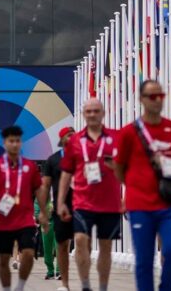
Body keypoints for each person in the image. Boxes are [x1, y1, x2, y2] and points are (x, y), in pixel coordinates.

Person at [114, 79, 171, 291]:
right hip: (140, 206)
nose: (157, 100)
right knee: (144, 260)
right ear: (141, 99)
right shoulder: (129, 132)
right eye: (152, 96)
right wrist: (134, 186)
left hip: (169, 203)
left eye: (161, 96)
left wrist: (166, 176)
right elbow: (118, 167)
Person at [57, 99, 121, 291]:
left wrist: (127, 194)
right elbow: (66, 174)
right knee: (80, 240)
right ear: (84, 114)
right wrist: (60, 202)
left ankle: (103, 286)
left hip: (110, 203)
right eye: (89, 111)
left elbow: (127, 168)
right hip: (83, 202)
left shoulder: (116, 138)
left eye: (96, 111)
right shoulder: (75, 141)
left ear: (103, 113)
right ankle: (85, 285)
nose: (92, 114)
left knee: (106, 247)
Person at [0, 125, 48, 291]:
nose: (14, 144)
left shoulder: (30, 166)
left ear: (21, 143)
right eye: (11, 141)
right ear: (4, 143)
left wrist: (43, 212)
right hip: (2, 220)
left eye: (18, 141)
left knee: (28, 254)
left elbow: (39, 190)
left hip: (25, 219)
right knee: (3, 259)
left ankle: (20, 286)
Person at [42, 126, 75, 290]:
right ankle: (64, 283)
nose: (73, 138)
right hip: (60, 208)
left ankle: (84, 282)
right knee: (62, 244)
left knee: (82, 242)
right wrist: (43, 209)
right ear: (62, 139)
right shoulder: (53, 160)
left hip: (82, 206)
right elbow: (45, 186)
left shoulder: (84, 156)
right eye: (69, 135)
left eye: (74, 135)